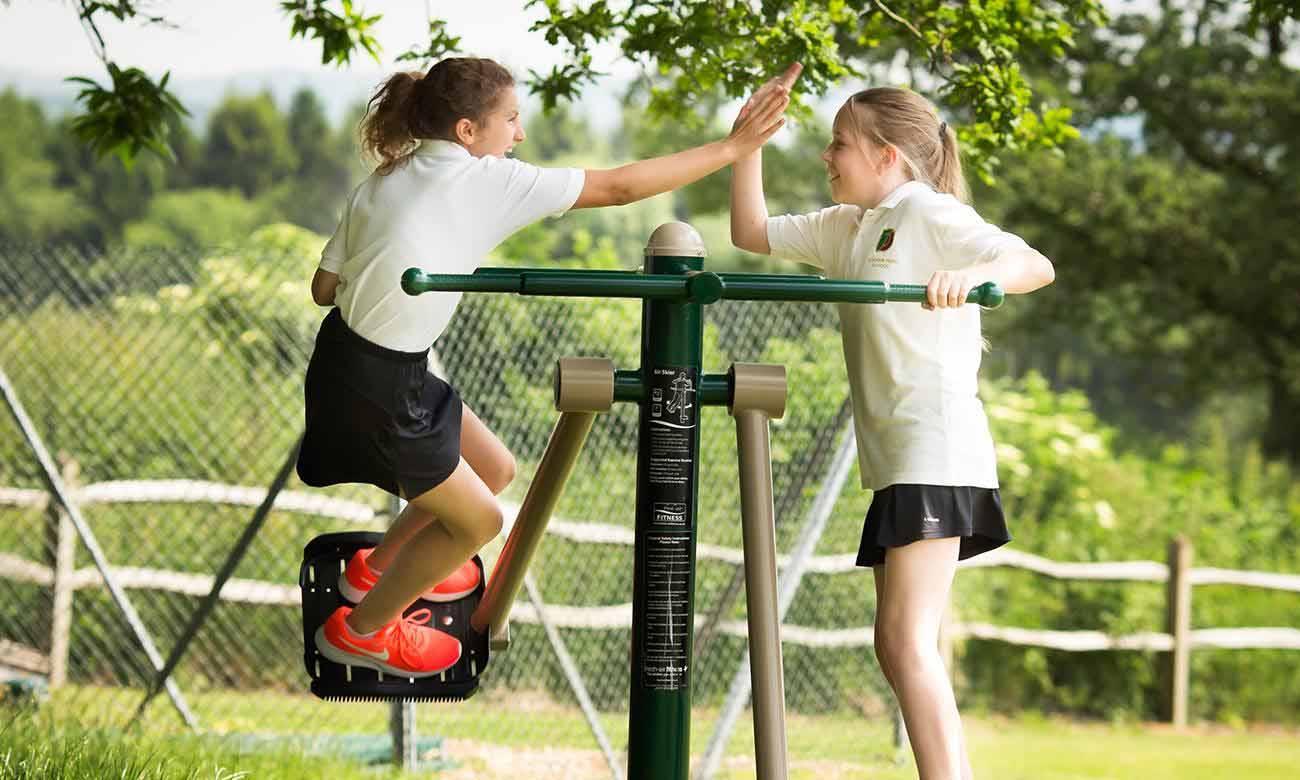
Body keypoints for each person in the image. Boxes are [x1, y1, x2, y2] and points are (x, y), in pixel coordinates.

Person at [300, 56, 796, 678]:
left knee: (493, 467)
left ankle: (375, 571)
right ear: (466, 132)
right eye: (510, 119)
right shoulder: (486, 181)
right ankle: (361, 630)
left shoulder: (383, 179)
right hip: (379, 387)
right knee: (480, 521)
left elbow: (324, 289)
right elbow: (617, 187)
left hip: (358, 359)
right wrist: (733, 147)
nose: (520, 135)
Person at [730, 71, 1055, 780]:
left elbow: (1033, 263)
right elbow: (750, 232)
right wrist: (746, 145)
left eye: (839, 144)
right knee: (897, 642)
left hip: (934, 449)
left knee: (905, 640)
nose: (827, 156)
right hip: (902, 458)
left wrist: (972, 278)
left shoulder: (925, 212)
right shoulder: (847, 227)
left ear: (887, 157)